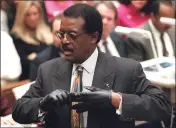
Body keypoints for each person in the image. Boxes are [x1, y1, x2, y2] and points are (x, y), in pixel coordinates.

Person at [12, 4, 171, 128]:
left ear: (94, 37)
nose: (64, 41)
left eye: (72, 36)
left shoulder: (126, 69)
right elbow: (19, 111)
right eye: (61, 34)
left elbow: (162, 107)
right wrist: (42, 104)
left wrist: (115, 99)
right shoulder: (48, 70)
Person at [11, 1, 53, 80]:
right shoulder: (16, 37)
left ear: (40, 14)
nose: (32, 18)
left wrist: (35, 56)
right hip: (30, 79)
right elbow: (23, 65)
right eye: (27, 15)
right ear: (21, 16)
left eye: (35, 13)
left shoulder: (47, 31)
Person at [29, 14, 62, 81]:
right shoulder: (40, 62)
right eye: (57, 34)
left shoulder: (83, 55)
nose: (62, 39)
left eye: (67, 33)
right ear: (52, 34)